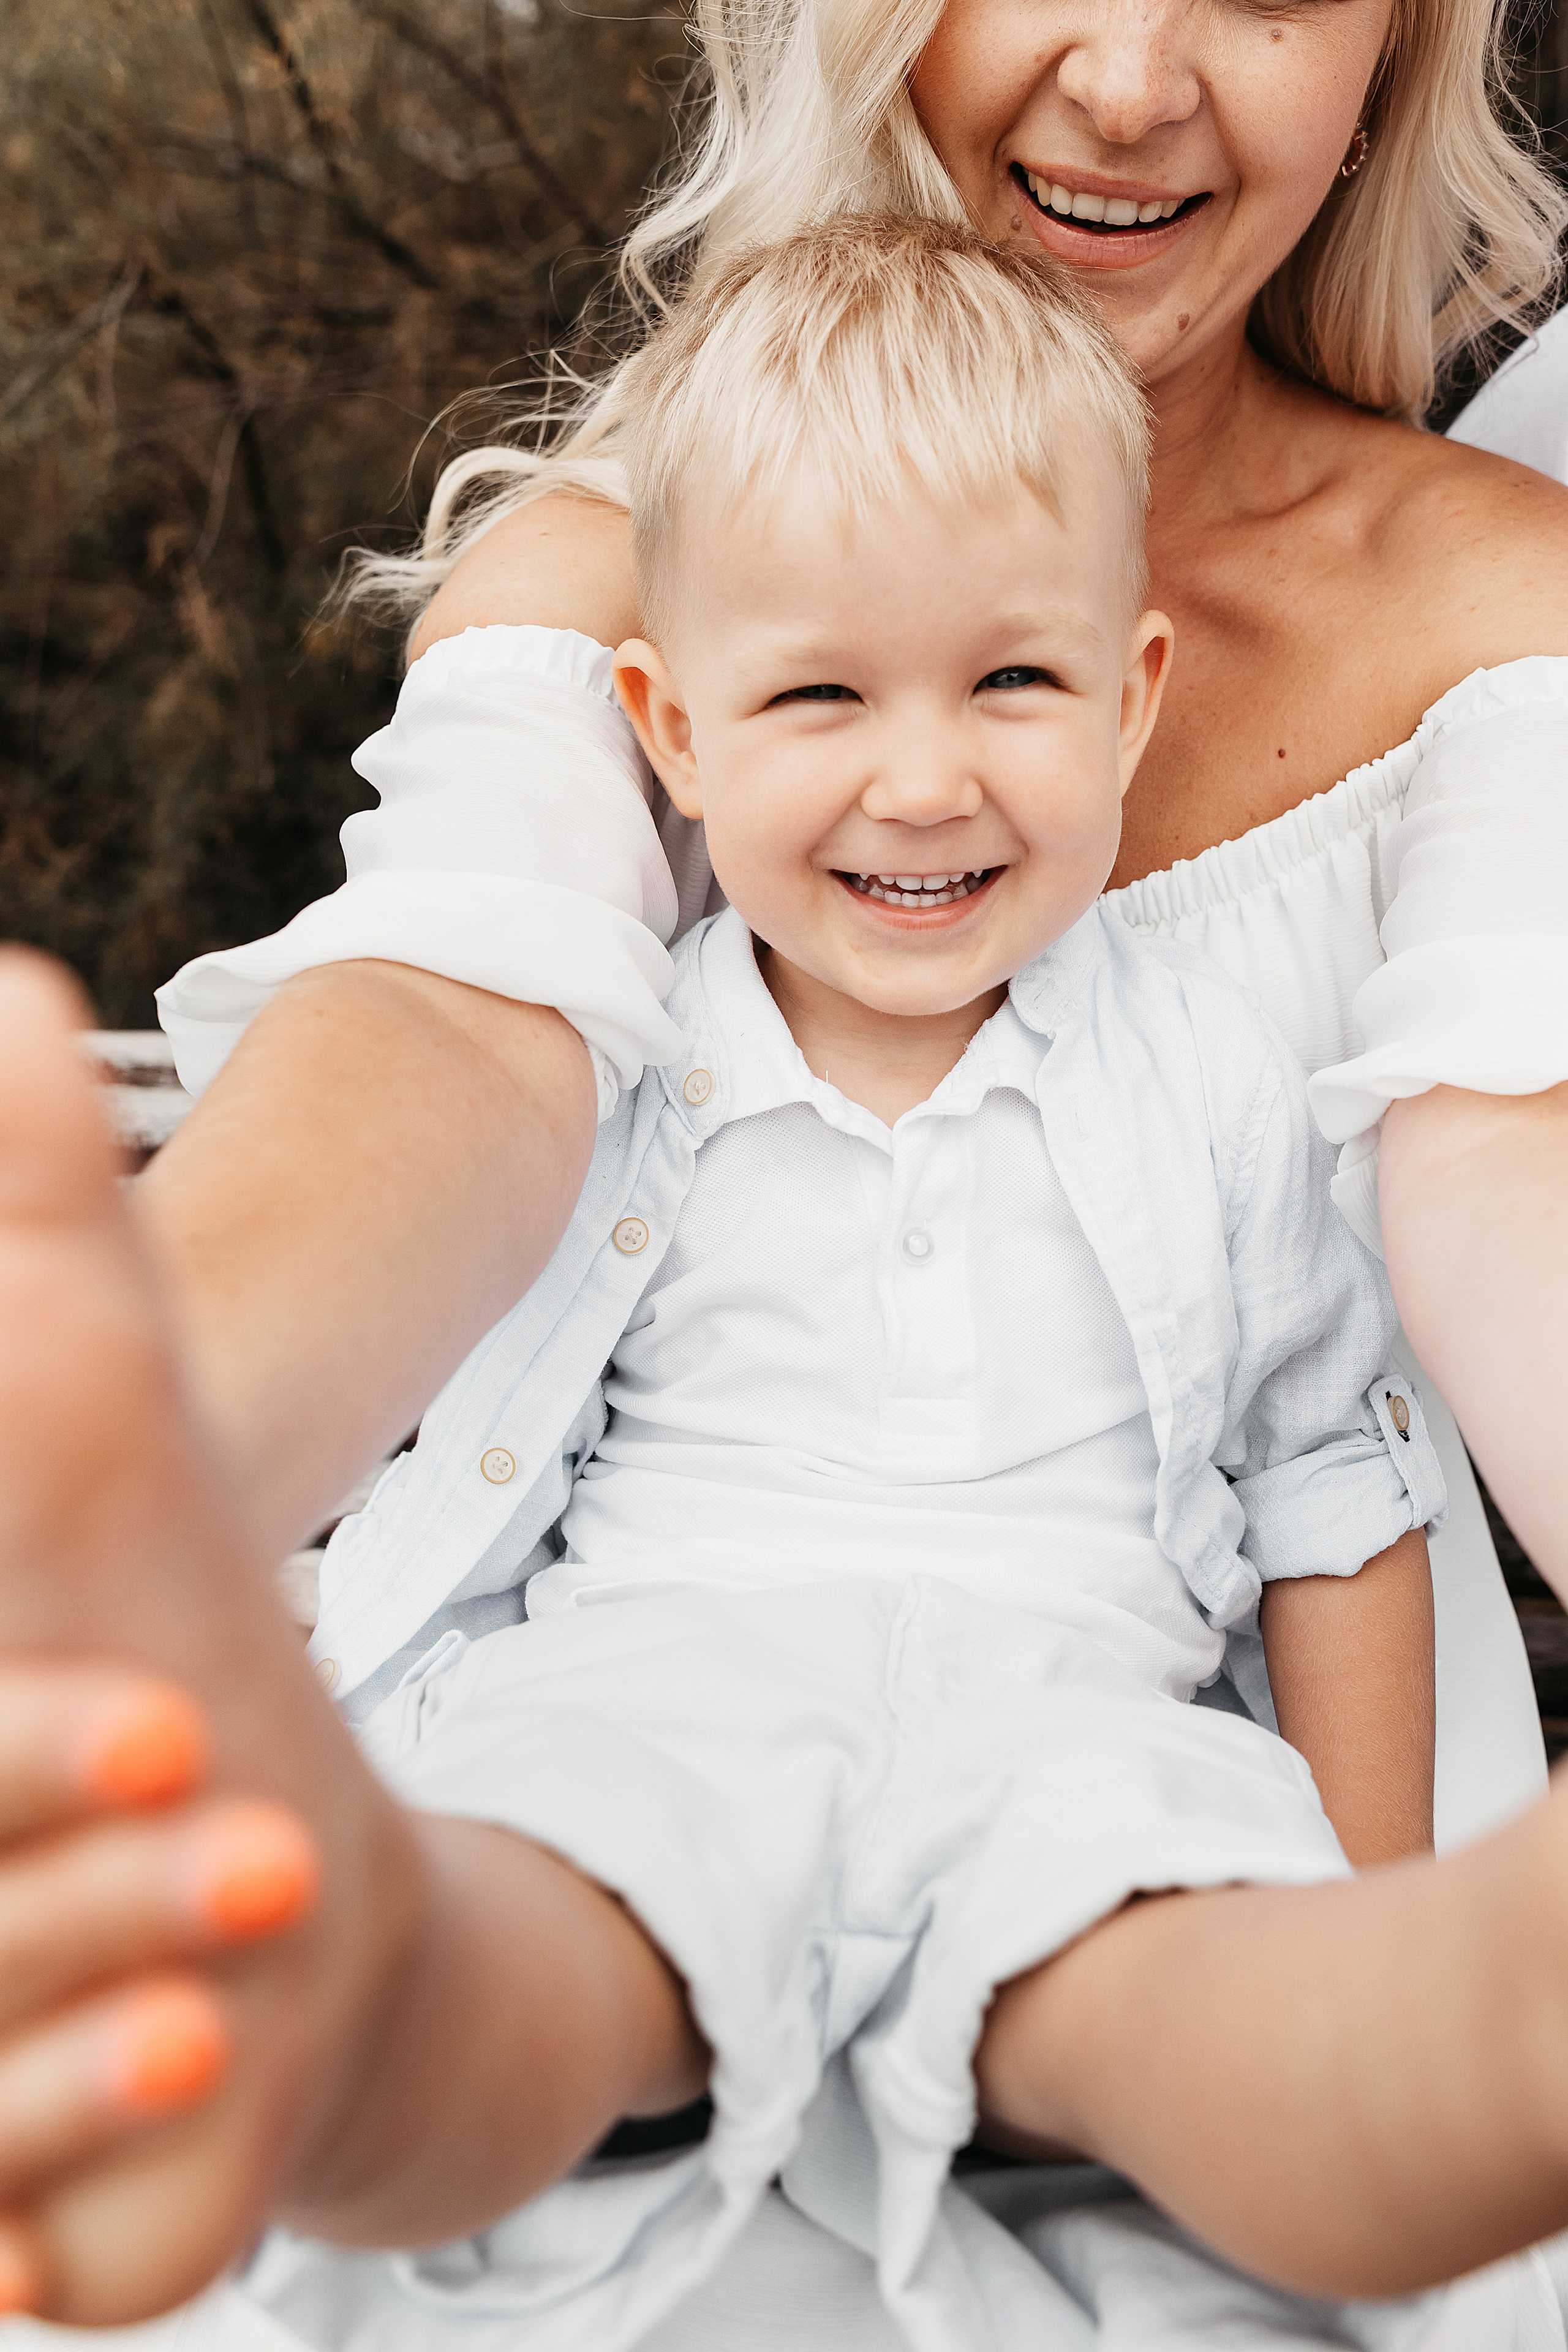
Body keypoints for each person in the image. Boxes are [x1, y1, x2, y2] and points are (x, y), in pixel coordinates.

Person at [0, 216, 1561, 2352]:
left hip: (1068, 1702)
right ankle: (323, 2011)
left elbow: (1332, 1504)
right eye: (820, 694)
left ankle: (1444, 2041)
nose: (923, 778)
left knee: (1197, 1977)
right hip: (664, 1674)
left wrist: (1378, 1904)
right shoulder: (639, 1063)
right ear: (670, 724)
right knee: (550, 1918)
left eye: (1014, 680)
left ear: (1136, 698)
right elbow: (446, 1343)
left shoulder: (1213, 1074)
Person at [140, 0, 1568, 1709]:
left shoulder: (1506, 614)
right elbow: (450, 1028)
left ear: (1389, 64)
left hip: (1301, 1883)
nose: (1129, 85)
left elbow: (1515, 1155)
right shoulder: (605, 589)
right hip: (654, 1793)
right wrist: (118, 1481)